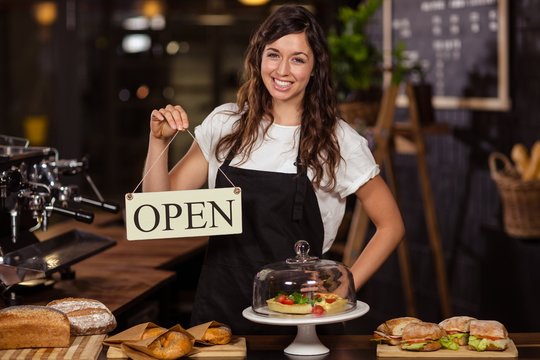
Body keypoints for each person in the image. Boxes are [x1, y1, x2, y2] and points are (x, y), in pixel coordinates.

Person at [142, 5, 404, 334]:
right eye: (273, 54)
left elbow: (391, 225)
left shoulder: (336, 141)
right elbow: (156, 212)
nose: (282, 70)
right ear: (258, 58)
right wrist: (157, 141)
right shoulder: (224, 124)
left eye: (297, 58)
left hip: (297, 319)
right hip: (219, 316)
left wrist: (342, 287)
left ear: (315, 67)